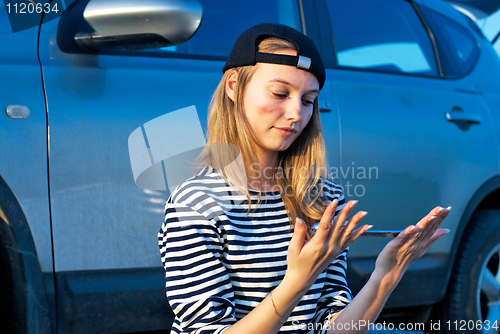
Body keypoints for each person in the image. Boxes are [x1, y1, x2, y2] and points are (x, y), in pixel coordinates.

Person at [158, 23, 450, 334]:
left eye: (308, 100)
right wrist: (297, 282)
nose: (297, 113)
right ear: (233, 86)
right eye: (280, 93)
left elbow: (331, 326)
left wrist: (386, 276)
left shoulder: (322, 198)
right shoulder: (196, 204)